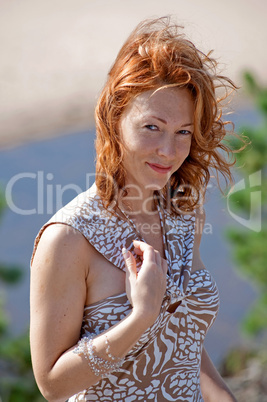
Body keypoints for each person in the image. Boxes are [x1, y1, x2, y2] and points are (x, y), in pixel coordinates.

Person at [30, 17, 238, 401]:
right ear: (115, 119)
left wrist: (224, 397)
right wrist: (141, 315)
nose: (170, 151)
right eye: (152, 127)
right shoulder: (68, 238)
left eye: (183, 132)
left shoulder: (183, 212)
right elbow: (52, 384)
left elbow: (182, 332)